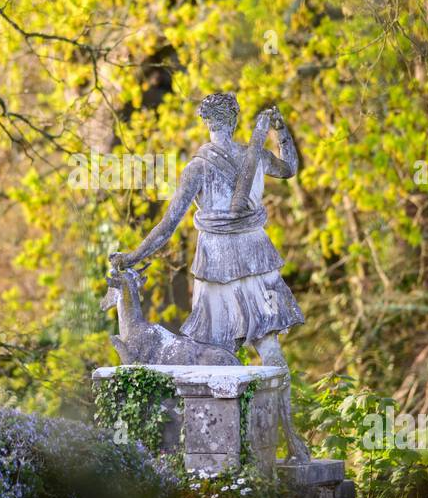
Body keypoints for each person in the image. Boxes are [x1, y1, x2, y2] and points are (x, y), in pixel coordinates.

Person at [109, 92, 310, 461]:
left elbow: (169, 225)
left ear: (207, 122)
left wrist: (133, 255)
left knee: (217, 358)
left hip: (219, 265)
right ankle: (290, 441)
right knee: (269, 351)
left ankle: (223, 452)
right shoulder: (254, 156)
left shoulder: (197, 168)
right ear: (234, 119)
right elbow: (290, 167)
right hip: (254, 259)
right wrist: (281, 132)